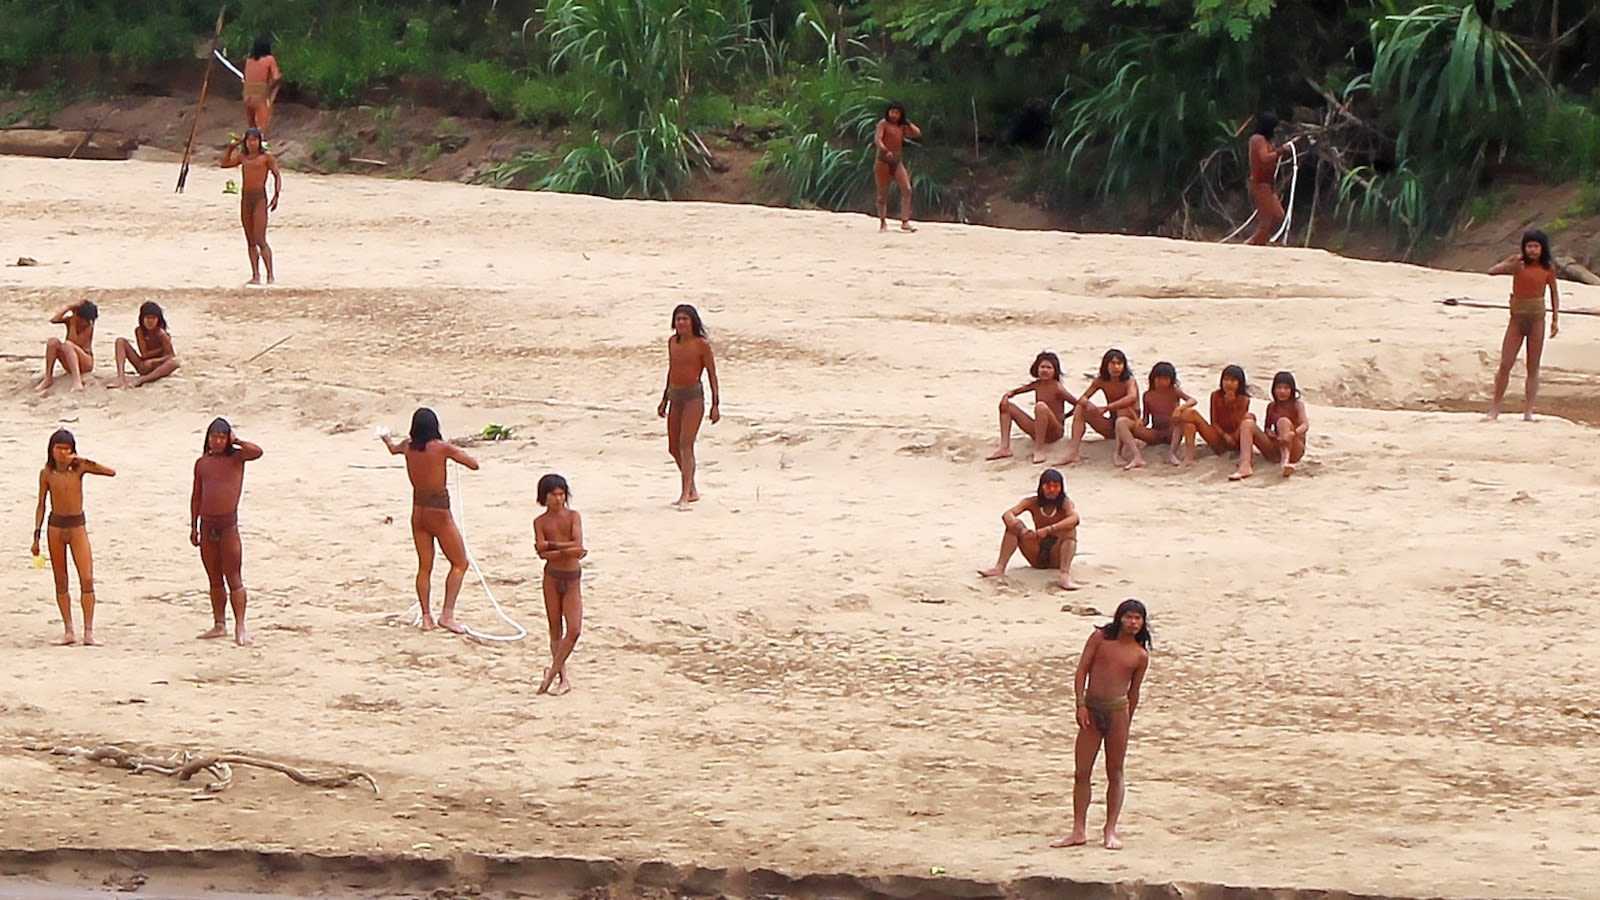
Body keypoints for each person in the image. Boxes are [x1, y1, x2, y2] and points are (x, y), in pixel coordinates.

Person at [1051, 598, 1151, 851]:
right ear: (1120, 618)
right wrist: (1080, 703)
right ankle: (1078, 829)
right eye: (1129, 617)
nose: (1133, 622)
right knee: (1081, 771)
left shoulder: (1140, 655)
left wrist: (1129, 718)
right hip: (1092, 710)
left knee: (1115, 771)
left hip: (1118, 712)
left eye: (1137, 618)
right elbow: (1082, 670)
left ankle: (1110, 829)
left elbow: (1134, 691)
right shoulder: (1100, 638)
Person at [380, 408, 479, 634]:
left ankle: (426, 617)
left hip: (418, 512)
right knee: (460, 563)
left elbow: (393, 449)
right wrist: (453, 451)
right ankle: (447, 615)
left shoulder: (407, 446)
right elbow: (473, 464)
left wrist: (386, 439)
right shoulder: (440, 448)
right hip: (439, 513)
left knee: (424, 567)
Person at [31, 430, 115, 646]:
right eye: (59, 448)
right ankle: (69, 629)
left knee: (86, 578)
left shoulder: (79, 468)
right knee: (61, 580)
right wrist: (36, 535)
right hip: (55, 527)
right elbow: (41, 503)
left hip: (77, 526)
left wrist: (81, 459)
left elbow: (110, 472)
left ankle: (89, 631)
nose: (63, 453)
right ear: (51, 449)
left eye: (67, 449)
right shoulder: (47, 473)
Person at [191, 418, 263, 646]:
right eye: (214, 437)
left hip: (228, 526)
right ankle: (219, 623)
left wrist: (238, 440)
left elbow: (257, 452)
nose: (218, 441)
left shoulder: (237, 458)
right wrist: (193, 526)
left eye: (222, 437)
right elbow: (197, 496)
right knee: (214, 578)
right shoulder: (202, 463)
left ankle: (240, 625)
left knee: (234, 577)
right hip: (207, 524)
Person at [1486, 229, 1561, 421]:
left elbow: (1553, 293)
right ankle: (1495, 408)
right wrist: (1507, 263)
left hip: (1537, 319)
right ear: (1524, 247)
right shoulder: (1517, 265)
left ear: (1543, 248)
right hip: (1517, 319)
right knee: (1505, 364)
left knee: (1533, 366)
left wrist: (1555, 320)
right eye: (1529, 246)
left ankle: (1528, 411)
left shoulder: (1548, 268)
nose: (1533, 250)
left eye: (1536, 246)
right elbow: (1491, 271)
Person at [657, 304, 720, 510]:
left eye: (685, 319)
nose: (681, 323)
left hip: (693, 397)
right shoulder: (672, 342)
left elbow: (711, 374)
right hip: (675, 396)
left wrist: (715, 404)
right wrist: (664, 398)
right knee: (673, 447)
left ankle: (685, 495)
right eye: (678, 319)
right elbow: (671, 370)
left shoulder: (701, 344)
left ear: (693, 321)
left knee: (686, 444)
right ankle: (691, 487)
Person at [977, 468, 1080, 591]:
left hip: (1056, 555)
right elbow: (1008, 514)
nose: (1052, 490)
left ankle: (1064, 574)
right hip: (1036, 553)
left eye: (1056, 486)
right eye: (1048, 486)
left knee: (1070, 531)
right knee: (1013, 527)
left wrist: (1049, 530)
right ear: (1041, 487)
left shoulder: (1065, 504)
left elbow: (1075, 519)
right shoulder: (1032, 502)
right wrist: (1021, 530)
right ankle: (1000, 567)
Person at [533, 474, 585, 696]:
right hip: (552, 577)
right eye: (553, 495)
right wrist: (567, 548)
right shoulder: (540, 522)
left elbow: (578, 546)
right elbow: (542, 553)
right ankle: (562, 678)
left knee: (574, 630)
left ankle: (552, 673)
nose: (558, 499)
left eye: (561, 494)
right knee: (555, 628)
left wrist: (553, 546)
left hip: (572, 576)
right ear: (544, 497)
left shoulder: (573, 516)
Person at [987, 351, 1078, 464]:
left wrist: (1065, 416)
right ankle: (1004, 447)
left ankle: (1039, 449)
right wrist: (1007, 395)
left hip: (1054, 432)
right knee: (1006, 406)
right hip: (1038, 429)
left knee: (1040, 407)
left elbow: (1078, 404)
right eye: (1042, 367)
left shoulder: (1057, 388)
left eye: (1049, 368)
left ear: (1055, 371)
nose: (1045, 370)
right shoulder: (1037, 384)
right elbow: (1017, 391)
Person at [1053, 349, 1140, 466]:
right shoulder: (1101, 381)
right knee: (1081, 407)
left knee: (1122, 409)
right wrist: (1083, 404)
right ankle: (1073, 452)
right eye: (1113, 363)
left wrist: (1107, 408)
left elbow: (1131, 398)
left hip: (1130, 424)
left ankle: (1118, 453)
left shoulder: (1129, 381)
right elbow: (1084, 398)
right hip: (1111, 425)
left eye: (1119, 364)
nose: (1116, 367)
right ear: (1106, 365)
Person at [220, 128, 281, 286]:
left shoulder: (266, 158)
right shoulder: (243, 157)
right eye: (249, 140)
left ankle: (270, 275)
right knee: (250, 240)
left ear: (260, 141)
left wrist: (276, 195)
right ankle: (255, 275)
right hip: (246, 199)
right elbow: (224, 164)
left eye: (255, 140)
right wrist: (231, 148)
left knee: (260, 238)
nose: (252, 143)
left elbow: (276, 175)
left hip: (259, 198)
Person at [1114, 361, 1195, 470]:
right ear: (1153, 379)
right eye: (1159, 379)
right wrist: (1140, 422)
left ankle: (1172, 453)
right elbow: (1147, 419)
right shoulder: (1148, 395)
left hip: (1172, 431)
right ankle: (1137, 456)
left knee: (1182, 418)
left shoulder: (1174, 392)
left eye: (1166, 379)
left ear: (1171, 380)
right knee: (1121, 422)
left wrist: (1180, 408)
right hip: (1155, 433)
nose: (1162, 382)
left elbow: (1192, 400)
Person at [1233, 370, 1308, 480]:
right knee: (1247, 423)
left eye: (1286, 388)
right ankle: (1245, 465)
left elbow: (1305, 425)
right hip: (1276, 448)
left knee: (1283, 422)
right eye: (1279, 388)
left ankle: (1285, 461)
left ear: (1292, 390)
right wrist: (1269, 433)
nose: (1282, 391)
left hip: (1294, 449)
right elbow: (1267, 427)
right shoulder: (1272, 406)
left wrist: (1293, 433)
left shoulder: (1297, 405)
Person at [1173, 364, 1252, 469]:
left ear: (1239, 383)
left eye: (1233, 381)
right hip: (1218, 437)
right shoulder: (1216, 395)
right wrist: (1224, 435)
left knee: (1249, 417)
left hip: (1235, 440)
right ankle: (1189, 457)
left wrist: (1231, 405)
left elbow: (1238, 424)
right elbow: (1214, 422)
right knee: (1189, 416)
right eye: (1226, 379)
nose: (1228, 383)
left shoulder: (1243, 399)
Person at [874, 102, 923, 233]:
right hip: (883, 161)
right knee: (882, 195)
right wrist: (885, 150)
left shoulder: (901, 127)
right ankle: (883, 222)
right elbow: (878, 139)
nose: (894, 115)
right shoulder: (883, 124)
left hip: (897, 161)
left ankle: (905, 221)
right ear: (888, 112)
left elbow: (917, 133)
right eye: (892, 112)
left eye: (897, 113)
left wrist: (908, 123)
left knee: (907, 189)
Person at [111, 301, 180, 389]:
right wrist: (160, 349)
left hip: (158, 367)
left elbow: (170, 356)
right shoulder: (139, 331)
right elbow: (144, 354)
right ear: (142, 318)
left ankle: (142, 380)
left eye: (153, 318)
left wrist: (155, 361)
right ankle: (120, 377)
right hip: (143, 364)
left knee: (174, 363)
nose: (150, 322)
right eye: (148, 318)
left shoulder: (161, 334)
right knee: (120, 341)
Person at [35, 299, 98, 394]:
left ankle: (77, 381)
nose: (85, 323)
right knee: (53, 342)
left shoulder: (89, 328)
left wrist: (72, 324)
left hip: (85, 362)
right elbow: (54, 320)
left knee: (67, 345)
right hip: (70, 359)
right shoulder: (72, 320)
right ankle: (48, 377)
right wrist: (69, 308)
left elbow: (73, 342)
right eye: (83, 320)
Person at [1245, 111, 1289, 246]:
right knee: (1267, 221)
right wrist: (1280, 150)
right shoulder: (1257, 139)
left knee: (1278, 216)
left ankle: (1259, 242)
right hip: (1259, 184)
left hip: (1267, 185)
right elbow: (1264, 158)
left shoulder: (1265, 141)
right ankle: (1251, 243)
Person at [242, 36, 283, 137]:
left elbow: (246, 77)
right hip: (260, 94)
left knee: (252, 128)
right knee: (261, 129)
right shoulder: (269, 59)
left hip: (247, 94)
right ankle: (260, 149)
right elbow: (276, 77)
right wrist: (269, 87)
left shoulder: (249, 60)